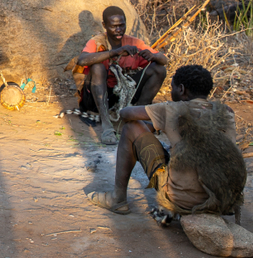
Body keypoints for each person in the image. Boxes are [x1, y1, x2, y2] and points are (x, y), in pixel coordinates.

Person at [87, 65, 244, 220]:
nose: (171, 91)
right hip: (223, 201)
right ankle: (220, 205)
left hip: (184, 202)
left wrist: (157, 119)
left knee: (131, 127)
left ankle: (118, 198)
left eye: (172, 87)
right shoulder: (226, 111)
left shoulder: (173, 108)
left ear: (181, 89)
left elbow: (126, 113)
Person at [74, 6, 168, 145]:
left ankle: (137, 115)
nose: (118, 30)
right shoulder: (97, 42)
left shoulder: (133, 42)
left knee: (159, 69)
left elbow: (164, 60)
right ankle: (107, 124)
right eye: (114, 26)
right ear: (104, 25)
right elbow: (82, 60)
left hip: (123, 96)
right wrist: (115, 52)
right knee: (97, 67)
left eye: (121, 25)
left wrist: (153, 56)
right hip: (97, 98)